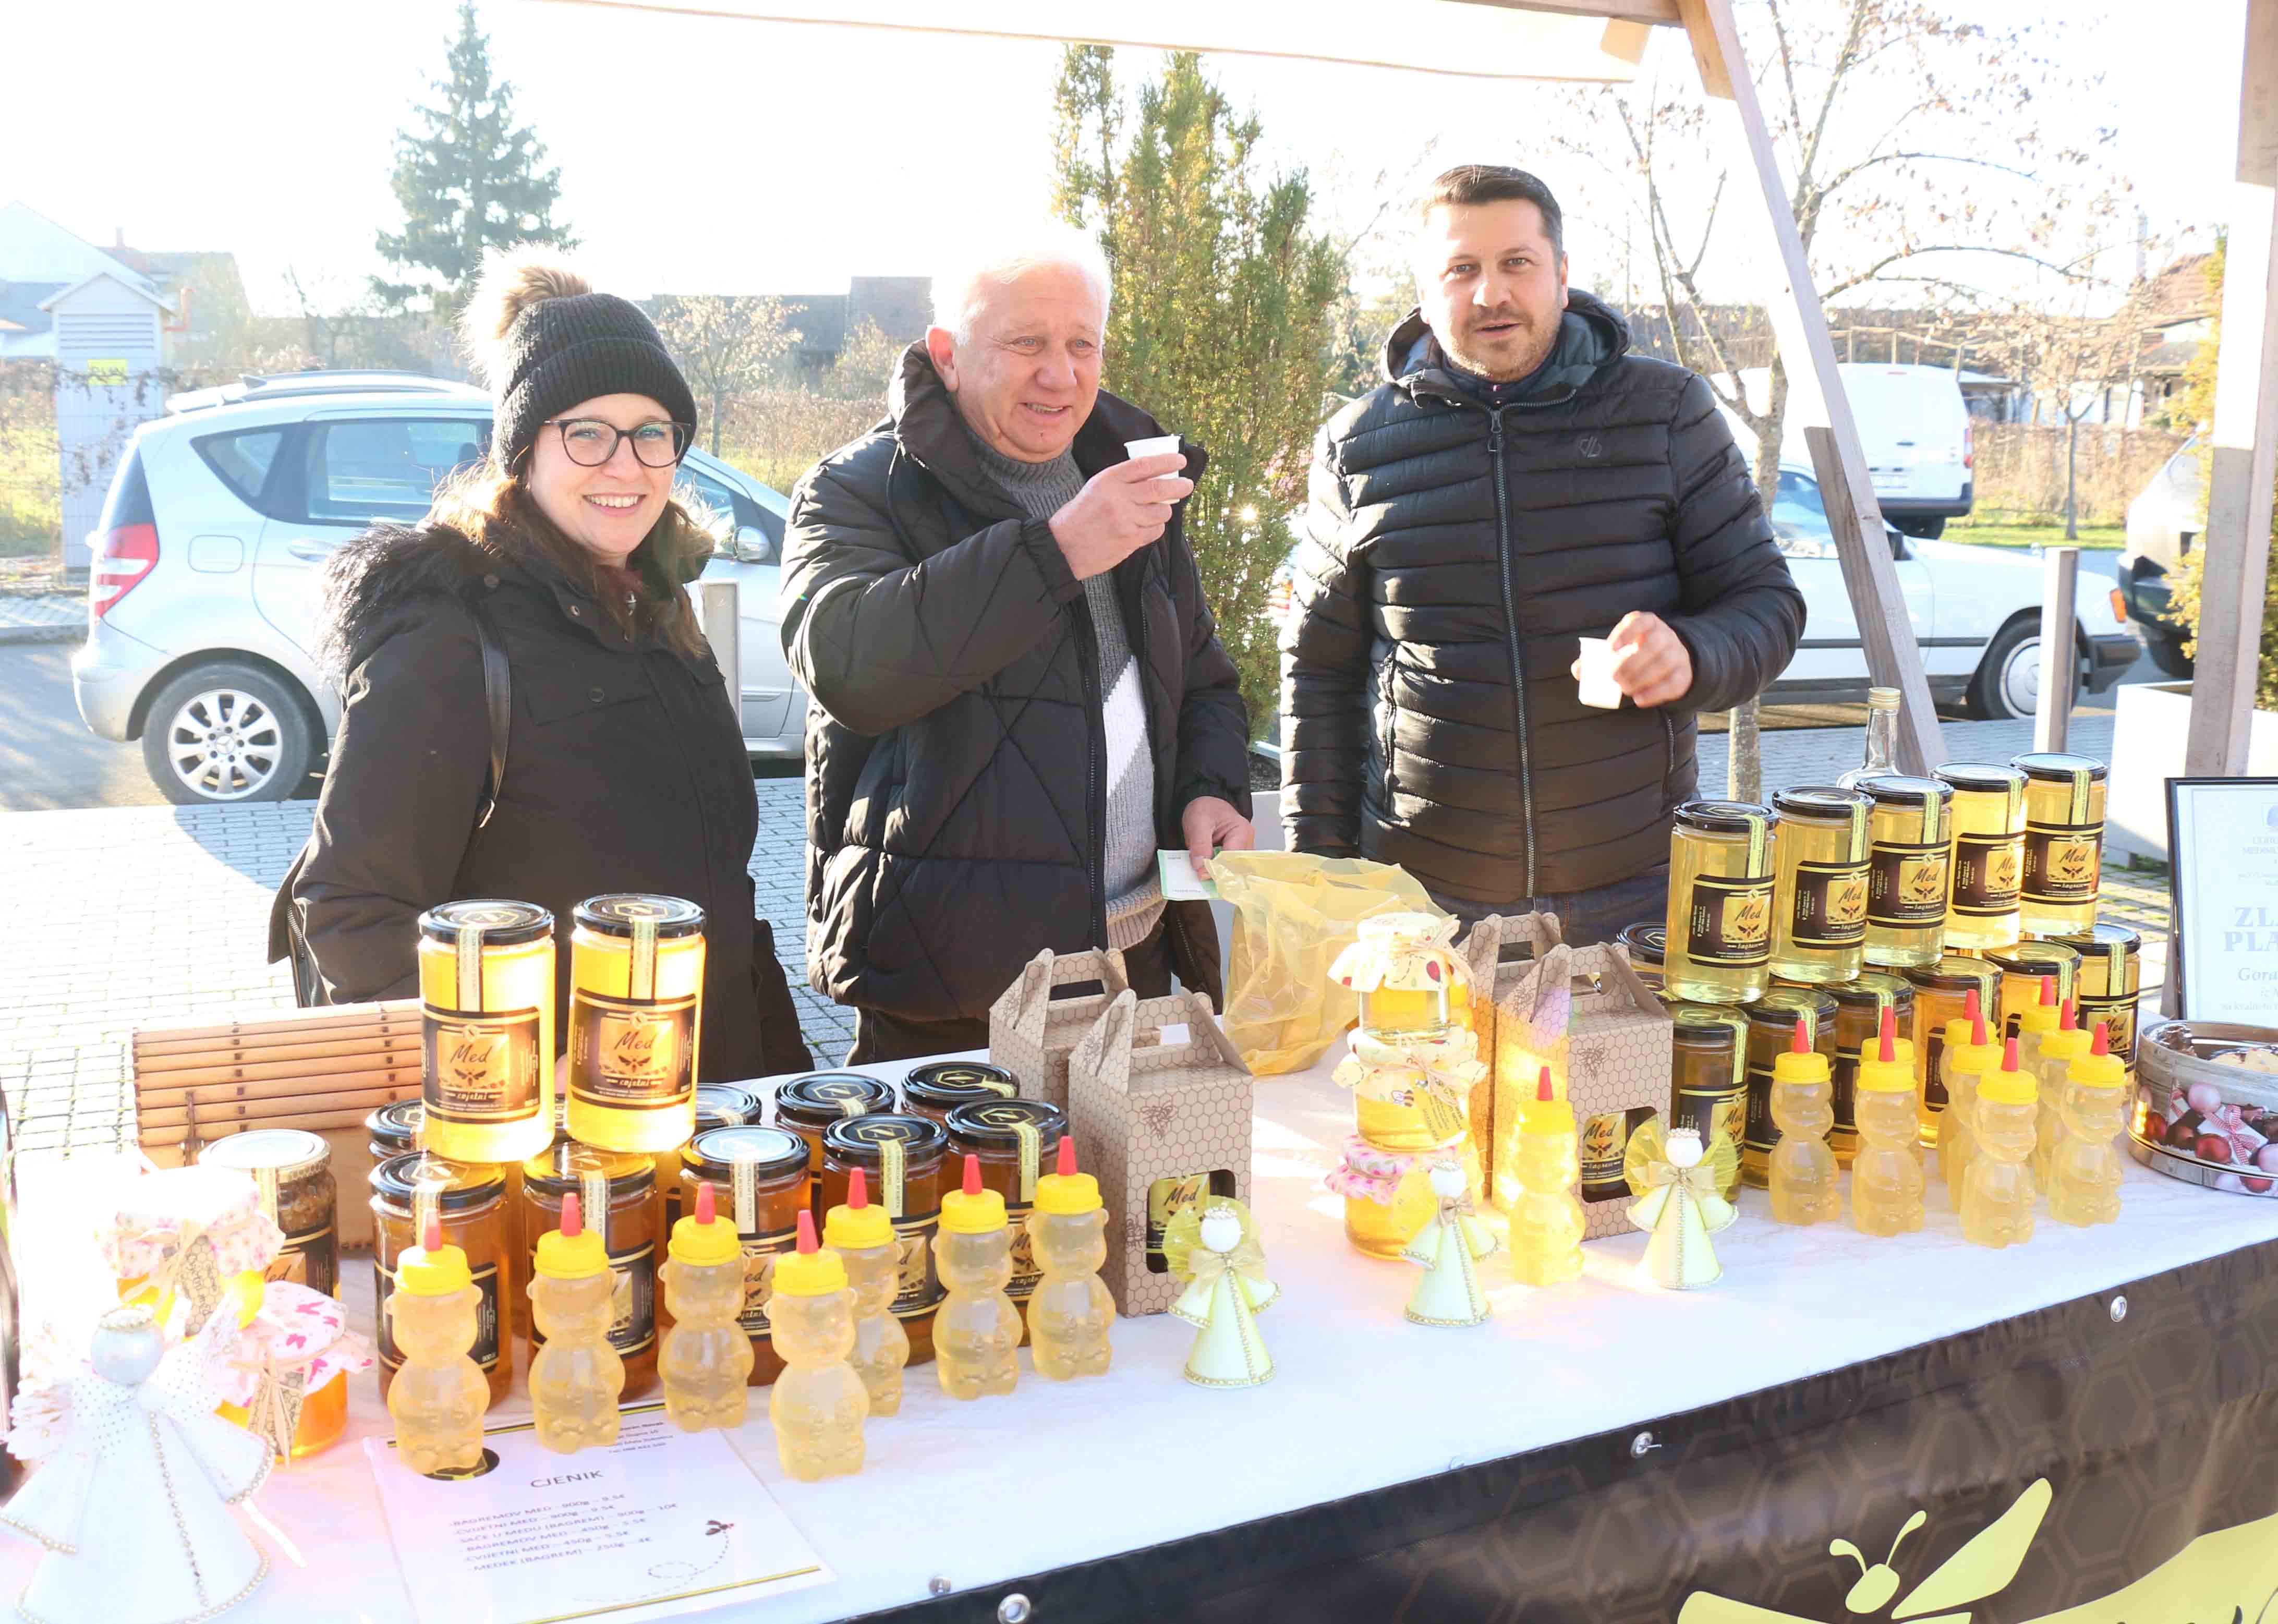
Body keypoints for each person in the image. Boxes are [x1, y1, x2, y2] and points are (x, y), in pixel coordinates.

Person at [272, 252, 813, 1082]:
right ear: (524, 450)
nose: (625, 464)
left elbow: (723, 900)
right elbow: (351, 913)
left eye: (652, 433)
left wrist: (782, 1078)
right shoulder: (451, 633)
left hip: (710, 1110)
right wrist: (522, 1077)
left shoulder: (663, 612)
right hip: (551, 1133)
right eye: (587, 432)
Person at [1282, 164, 1805, 944]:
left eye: (1516, 263)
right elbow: (1319, 672)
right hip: (1424, 899)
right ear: (1425, 291)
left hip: (1635, 890)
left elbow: (1767, 604)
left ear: (1561, 274)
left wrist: (1693, 652)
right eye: (1462, 269)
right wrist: (1320, 880)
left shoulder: (1666, 413)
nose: (1490, 292)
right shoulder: (1357, 447)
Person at [781, 229, 1253, 1064]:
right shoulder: (857, 488)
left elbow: (1202, 678)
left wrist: (1211, 787)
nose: (1060, 375)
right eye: (1026, 343)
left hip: (1136, 958)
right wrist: (1057, 551)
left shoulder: (1132, 476)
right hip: (954, 988)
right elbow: (849, 666)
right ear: (948, 356)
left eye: (1082, 345)